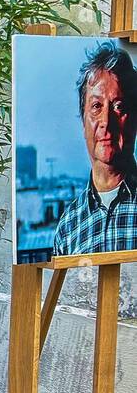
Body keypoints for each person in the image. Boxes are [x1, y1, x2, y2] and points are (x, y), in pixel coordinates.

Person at [52, 40, 137, 256]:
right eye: (96, 106)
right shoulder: (68, 225)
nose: (106, 121)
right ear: (83, 122)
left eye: (119, 107)